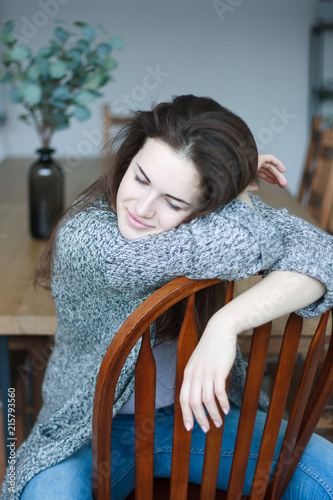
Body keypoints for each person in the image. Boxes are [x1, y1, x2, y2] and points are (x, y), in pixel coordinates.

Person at [1, 95, 332, 499]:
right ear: (128, 159)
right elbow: (244, 239)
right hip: (88, 431)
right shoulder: (86, 238)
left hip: (202, 419)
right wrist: (238, 190)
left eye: (173, 202)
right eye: (140, 178)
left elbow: (324, 257)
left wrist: (225, 325)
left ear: (207, 210)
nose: (141, 208)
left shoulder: (208, 232)